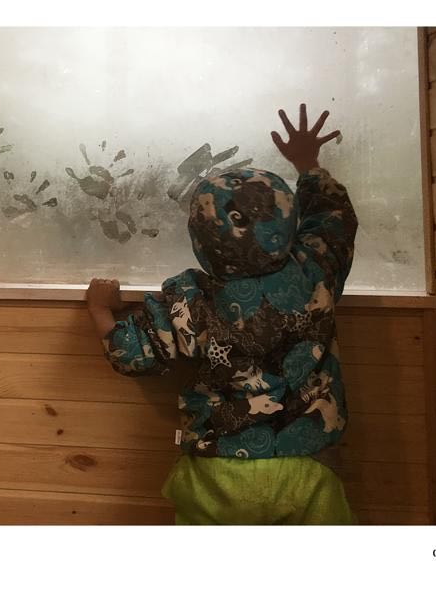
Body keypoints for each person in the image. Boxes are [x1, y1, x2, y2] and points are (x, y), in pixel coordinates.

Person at [85, 104, 358, 524]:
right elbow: (334, 219)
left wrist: (99, 306)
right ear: (286, 223)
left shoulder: (189, 297)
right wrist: (308, 165)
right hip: (309, 464)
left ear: (200, 236)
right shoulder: (316, 271)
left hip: (216, 471)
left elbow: (132, 354)